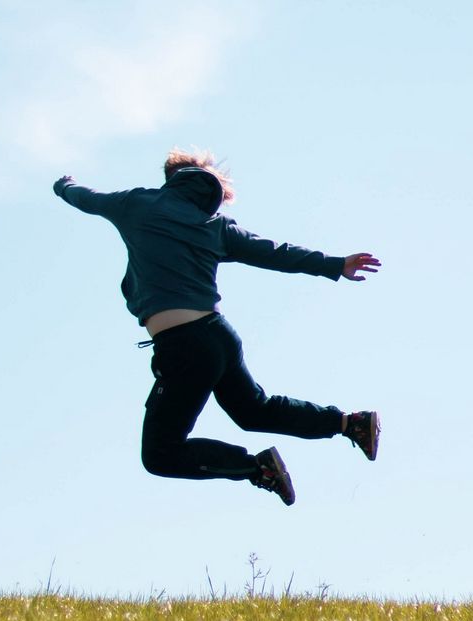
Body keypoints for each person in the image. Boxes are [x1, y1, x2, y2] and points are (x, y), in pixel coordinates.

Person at [53, 149, 381, 506]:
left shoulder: (137, 205)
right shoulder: (214, 225)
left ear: (171, 179)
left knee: (160, 454)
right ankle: (350, 424)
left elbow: (86, 198)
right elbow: (273, 252)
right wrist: (334, 264)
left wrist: (63, 184)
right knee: (255, 410)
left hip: (184, 345)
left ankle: (257, 468)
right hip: (217, 336)